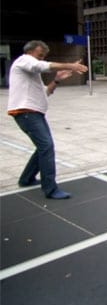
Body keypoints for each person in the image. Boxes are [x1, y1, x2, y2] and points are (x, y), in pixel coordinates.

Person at [7, 40, 88, 199]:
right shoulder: (24, 60)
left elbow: (46, 92)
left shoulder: (31, 74)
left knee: (43, 147)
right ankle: (50, 189)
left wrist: (57, 80)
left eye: (43, 56)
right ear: (30, 51)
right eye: (40, 55)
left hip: (34, 113)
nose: (41, 59)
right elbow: (40, 66)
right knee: (47, 147)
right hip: (26, 112)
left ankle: (26, 179)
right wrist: (70, 65)